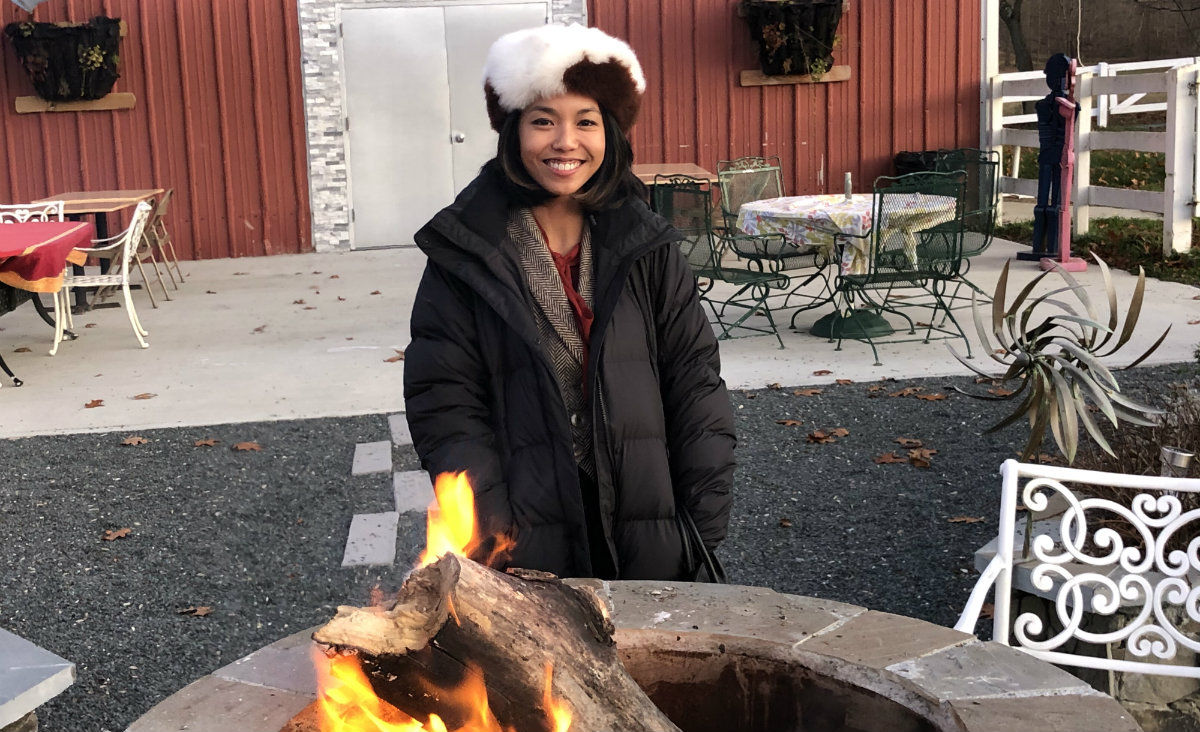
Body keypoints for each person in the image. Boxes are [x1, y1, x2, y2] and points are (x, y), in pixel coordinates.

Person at [403, 23, 735, 581]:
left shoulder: (646, 245)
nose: (565, 142)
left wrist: (698, 516)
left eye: (586, 121)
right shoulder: (466, 253)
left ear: (610, 133)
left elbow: (694, 381)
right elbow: (446, 402)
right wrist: (491, 528)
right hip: (524, 535)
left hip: (647, 526)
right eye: (542, 121)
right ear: (512, 132)